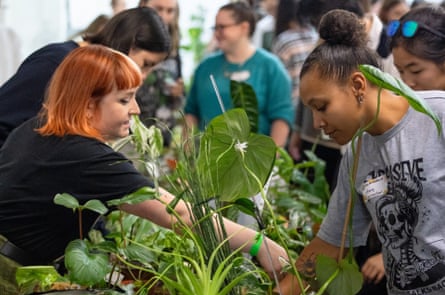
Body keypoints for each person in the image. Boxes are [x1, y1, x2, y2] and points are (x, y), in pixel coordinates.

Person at [0, 45, 287, 295]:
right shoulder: (86, 156)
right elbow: (180, 214)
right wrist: (259, 244)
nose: (136, 109)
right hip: (10, 278)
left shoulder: (37, 129)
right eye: (124, 100)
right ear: (86, 106)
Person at [247, 8, 445, 295]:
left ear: (357, 85)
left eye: (321, 106)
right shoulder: (357, 154)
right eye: (310, 110)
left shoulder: (436, 117)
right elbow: (330, 245)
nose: (317, 122)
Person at [0, 7, 170, 149]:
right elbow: (5, 118)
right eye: (145, 64)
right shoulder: (55, 62)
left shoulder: (98, 78)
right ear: (125, 43)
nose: (143, 76)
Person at [184, 1, 294, 149]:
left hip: (252, 162)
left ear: (244, 27)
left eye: (222, 27)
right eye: (215, 28)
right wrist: (187, 156)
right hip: (210, 160)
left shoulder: (270, 67)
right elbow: (191, 112)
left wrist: (271, 160)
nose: (216, 33)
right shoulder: (206, 67)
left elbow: (282, 117)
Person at [137, 0, 184, 147]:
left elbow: (180, 94)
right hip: (133, 135)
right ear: (143, 6)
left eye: (170, 11)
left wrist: (178, 92)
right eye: (158, 9)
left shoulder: (174, 48)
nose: (163, 16)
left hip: (163, 135)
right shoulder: (129, 40)